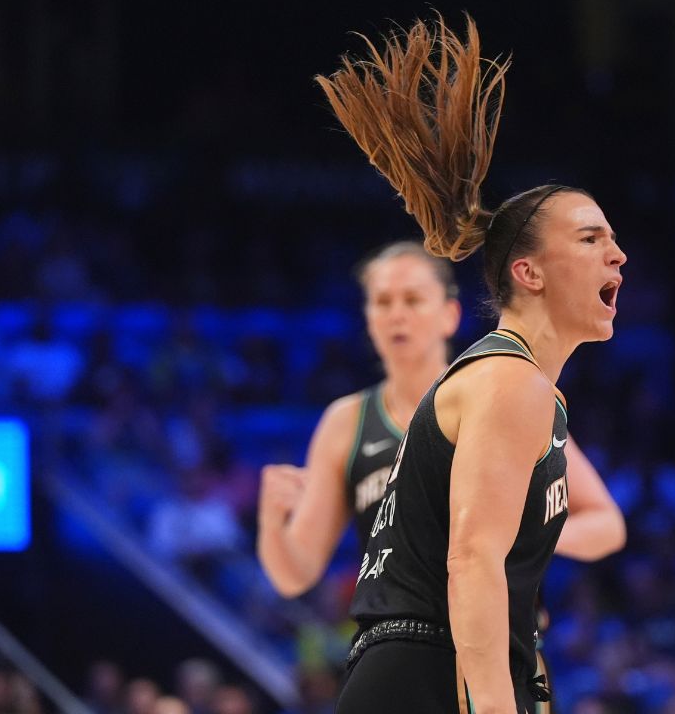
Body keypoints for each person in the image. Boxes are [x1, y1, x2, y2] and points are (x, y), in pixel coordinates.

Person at [312, 13, 628, 714]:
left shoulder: (528, 389)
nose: (618, 253)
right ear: (529, 272)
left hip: (435, 667)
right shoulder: (508, 381)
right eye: (590, 239)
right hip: (425, 671)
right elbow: (472, 557)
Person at [257, 242, 624, 599]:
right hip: (392, 633)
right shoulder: (346, 422)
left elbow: (606, 524)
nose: (397, 315)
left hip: (499, 630)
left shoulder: (501, 398)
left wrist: (527, 536)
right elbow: (296, 575)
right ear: (369, 319)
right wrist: (272, 524)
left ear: (450, 315)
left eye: (413, 300)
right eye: (383, 302)